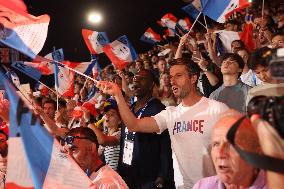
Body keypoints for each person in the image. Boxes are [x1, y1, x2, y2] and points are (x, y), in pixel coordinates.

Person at [97, 58, 229, 188]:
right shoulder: (170, 113)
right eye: (171, 77)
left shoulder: (217, 109)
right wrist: (117, 95)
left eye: (178, 76)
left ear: (193, 78)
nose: (172, 81)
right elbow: (133, 125)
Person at [117, 69, 175, 189]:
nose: (136, 81)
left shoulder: (159, 110)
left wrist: (162, 175)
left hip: (149, 176)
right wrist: (121, 168)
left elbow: (166, 145)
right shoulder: (130, 110)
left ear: (151, 85)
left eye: (141, 79)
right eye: (135, 79)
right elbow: (124, 141)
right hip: (128, 172)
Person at [193, 109, 267, 189]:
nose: (220, 154)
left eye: (231, 145)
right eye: (216, 144)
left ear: (257, 152)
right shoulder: (202, 186)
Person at [63, 127, 128, 188]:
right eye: (66, 151)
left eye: (73, 149)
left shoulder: (108, 183)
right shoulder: (88, 175)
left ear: (91, 148)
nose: (69, 157)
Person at [89, 99, 121, 171]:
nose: (107, 116)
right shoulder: (104, 134)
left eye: (112, 114)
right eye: (106, 113)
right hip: (106, 176)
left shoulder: (120, 134)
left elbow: (103, 140)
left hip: (114, 178)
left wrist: (89, 122)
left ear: (119, 121)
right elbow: (95, 155)